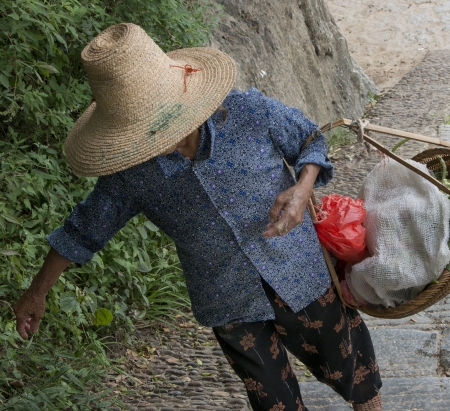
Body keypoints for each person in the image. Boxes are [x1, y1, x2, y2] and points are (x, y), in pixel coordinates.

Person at [13, 23, 382, 411]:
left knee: (349, 365)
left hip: (297, 268)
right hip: (225, 297)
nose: (152, 137)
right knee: (272, 401)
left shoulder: (249, 113)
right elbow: (83, 231)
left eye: (156, 122)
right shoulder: (130, 174)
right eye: (138, 129)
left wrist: (302, 187)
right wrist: (36, 292)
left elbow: (310, 140)